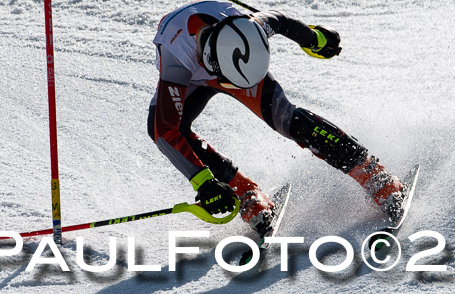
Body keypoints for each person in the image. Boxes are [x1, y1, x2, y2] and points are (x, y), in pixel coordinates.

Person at [147, 1, 407, 236]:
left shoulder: (252, 25)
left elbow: (281, 21)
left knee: (287, 118)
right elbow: (164, 130)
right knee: (164, 127)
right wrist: (204, 183)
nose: (227, 87)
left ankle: (374, 175)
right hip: (193, 79)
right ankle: (245, 191)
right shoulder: (177, 59)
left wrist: (315, 39)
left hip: (238, 67)